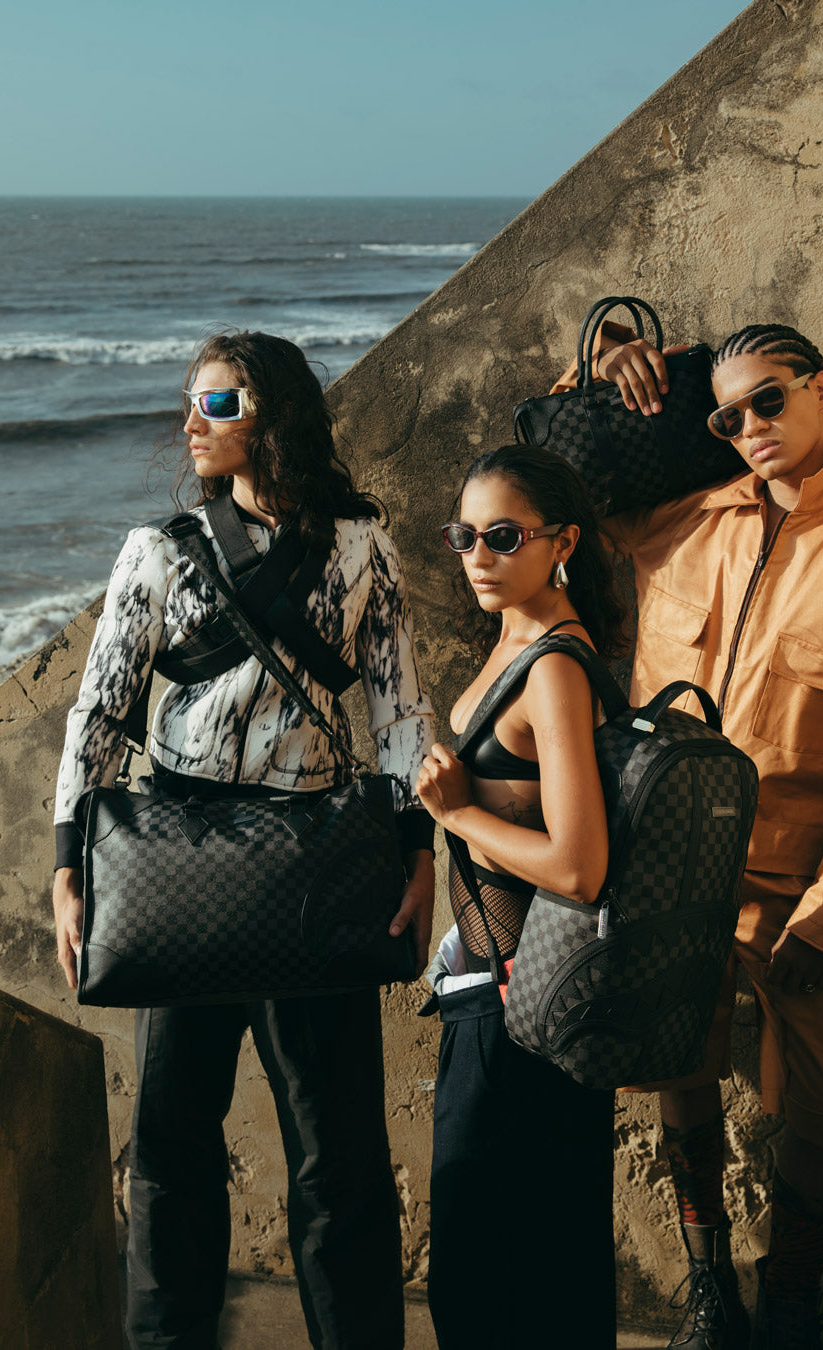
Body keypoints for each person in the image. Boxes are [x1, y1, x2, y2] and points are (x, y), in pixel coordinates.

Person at [550, 322, 823, 1349]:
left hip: (799, 878)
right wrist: (598, 369)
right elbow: (552, 487)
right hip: (666, 865)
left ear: (822, 388)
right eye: (727, 418)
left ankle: (793, 1296)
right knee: (676, 1069)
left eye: (770, 399)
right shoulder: (679, 521)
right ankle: (708, 1286)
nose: (752, 427)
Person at [51, 330, 435, 1350]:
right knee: (171, 1146)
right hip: (179, 867)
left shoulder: (362, 546)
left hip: (319, 867)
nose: (192, 421)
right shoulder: (159, 550)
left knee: (341, 1156)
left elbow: (401, 711)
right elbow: (100, 713)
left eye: (217, 403)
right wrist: (67, 867)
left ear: (276, 414)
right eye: (192, 401)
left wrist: (418, 852)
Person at [415, 444, 628, 1350]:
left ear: (562, 543)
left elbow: (580, 866)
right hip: (491, 990)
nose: (478, 556)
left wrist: (456, 812)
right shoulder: (517, 640)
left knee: (494, 1278)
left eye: (503, 537)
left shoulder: (555, 669)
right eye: (464, 536)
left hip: (523, 1011)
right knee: (525, 1260)